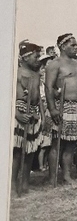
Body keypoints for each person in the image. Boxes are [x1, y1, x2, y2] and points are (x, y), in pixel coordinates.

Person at [45, 33, 77, 184]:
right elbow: (49, 87)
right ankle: (52, 178)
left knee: (71, 144)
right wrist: (52, 109)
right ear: (62, 46)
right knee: (57, 144)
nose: (76, 48)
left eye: (76, 45)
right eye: (73, 45)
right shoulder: (54, 64)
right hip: (62, 106)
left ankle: (66, 175)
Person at [12, 42, 44, 193]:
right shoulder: (15, 73)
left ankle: (25, 184)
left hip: (34, 113)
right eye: (36, 56)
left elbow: (38, 99)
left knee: (31, 151)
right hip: (19, 113)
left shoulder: (36, 75)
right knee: (17, 152)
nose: (39, 59)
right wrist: (17, 114)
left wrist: (42, 116)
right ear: (24, 58)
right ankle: (11, 186)